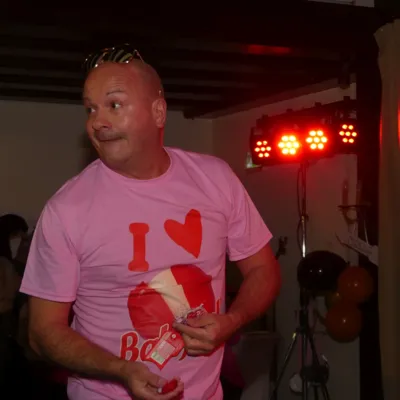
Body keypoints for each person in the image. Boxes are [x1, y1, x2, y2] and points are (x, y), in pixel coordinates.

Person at [20, 44, 281, 400]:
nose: (98, 122)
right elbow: (42, 332)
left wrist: (231, 321)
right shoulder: (66, 209)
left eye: (114, 105)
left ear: (158, 112)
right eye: (90, 109)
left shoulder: (215, 179)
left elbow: (264, 269)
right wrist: (120, 370)